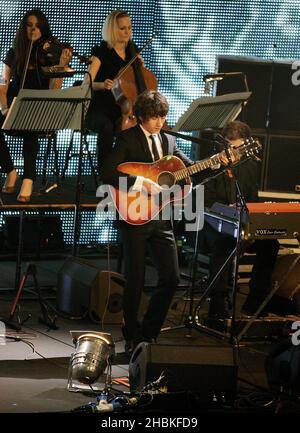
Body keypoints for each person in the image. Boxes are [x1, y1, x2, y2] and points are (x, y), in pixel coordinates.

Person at [101, 90, 194, 355]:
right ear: (142, 116)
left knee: (172, 277)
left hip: (162, 218)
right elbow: (108, 171)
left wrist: (218, 163)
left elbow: (190, 169)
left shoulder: (169, 142)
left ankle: (149, 333)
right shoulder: (127, 138)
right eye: (154, 117)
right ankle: (132, 336)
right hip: (135, 215)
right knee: (136, 280)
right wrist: (142, 182)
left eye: (163, 116)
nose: (159, 122)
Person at [202, 120, 280, 319]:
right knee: (225, 243)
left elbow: (253, 200)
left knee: (270, 244)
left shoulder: (250, 166)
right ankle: (217, 307)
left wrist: (253, 223)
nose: (235, 152)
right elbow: (205, 202)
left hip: (242, 222)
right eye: (231, 147)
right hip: (215, 222)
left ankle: (255, 302)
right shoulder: (212, 166)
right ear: (224, 144)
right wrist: (226, 209)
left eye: (239, 147)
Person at [0, 9, 72, 202]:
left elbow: (54, 90)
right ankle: (10, 170)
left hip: (39, 107)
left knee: (31, 125)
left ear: (44, 29)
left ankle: (29, 179)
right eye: (30, 25)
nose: (34, 29)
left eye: (38, 26)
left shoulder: (49, 55)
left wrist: (61, 66)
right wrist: (4, 107)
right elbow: (2, 83)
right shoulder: (14, 52)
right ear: (24, 28)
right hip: (15, 105)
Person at [84, 10, 144, 175]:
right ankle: (106, 173)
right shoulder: (101, 52)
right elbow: (86, 83)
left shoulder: (133, 52)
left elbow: (140, 83)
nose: (127, 32)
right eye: (122, 28)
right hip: (99, 107)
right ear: (112, 29)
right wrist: (102, 85)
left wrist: (141, 67)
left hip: (124, 108)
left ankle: (133, 172)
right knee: (107, 127)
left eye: (129, 28)